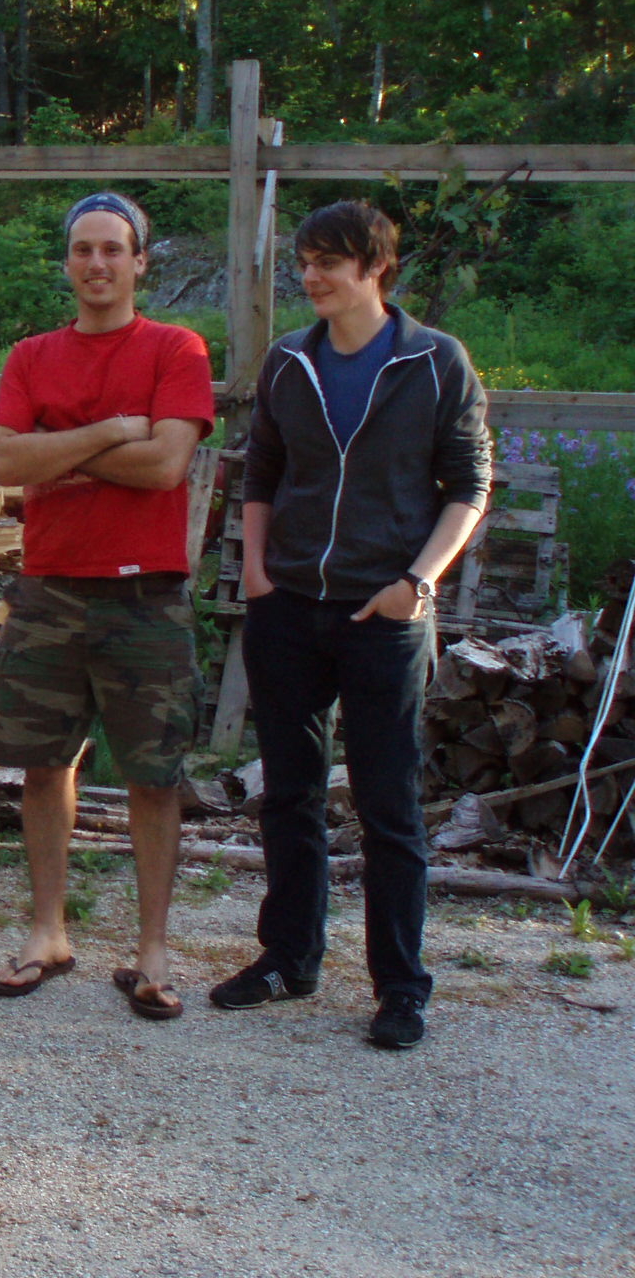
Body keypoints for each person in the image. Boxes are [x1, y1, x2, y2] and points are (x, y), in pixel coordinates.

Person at [211, 201, 490, 1050]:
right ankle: (289, 958)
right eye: (305, 261)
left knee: (388, 805)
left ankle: (401, 987)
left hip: (386, 613)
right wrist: (257, 575)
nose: (312, 275)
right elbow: (260, 472)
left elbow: (470, 486)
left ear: (376, 267)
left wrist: (417, 583)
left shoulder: (436, 363)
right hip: (289, 607)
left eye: (329, 261)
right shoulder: (290, 360)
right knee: (288, 794)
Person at [0, 191, 214, 1021]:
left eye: (114, 250)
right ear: (68, 260)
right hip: (49, 588)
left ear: (140, 261)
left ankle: (152, 952)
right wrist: (118, 427)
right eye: (83, 250)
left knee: (155, 776)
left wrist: (65, 455)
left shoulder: (175, 347)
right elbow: (6, 459)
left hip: (145, 593)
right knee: (44, 767)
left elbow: (165, 467)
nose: (97, 264)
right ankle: (48, 931)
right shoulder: (31, 356)